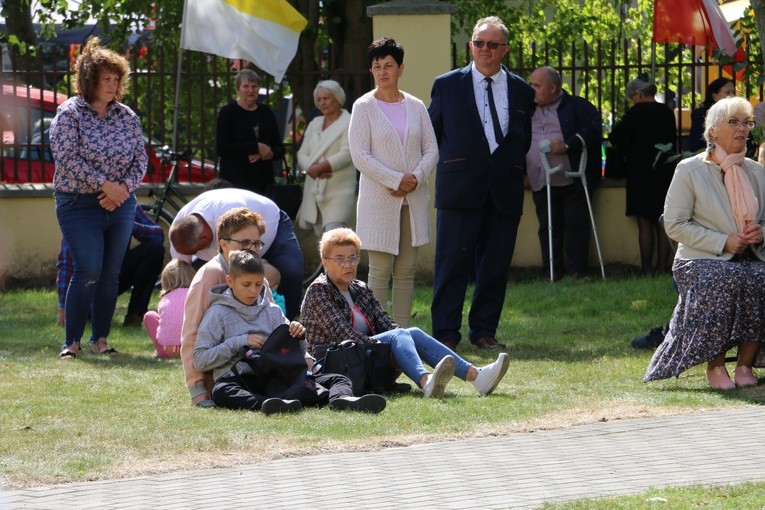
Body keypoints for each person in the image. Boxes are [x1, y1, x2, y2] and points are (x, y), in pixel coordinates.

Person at [301, 228, 511, 399]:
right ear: (325, 261)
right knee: (399, 335)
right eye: (339, 259)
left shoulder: (360, 288)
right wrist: (391, 343)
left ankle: (476, 376)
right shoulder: (319, 291)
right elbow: (343, 335)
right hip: (334, 365)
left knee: (412, 333)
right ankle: (427, 381)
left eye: (353, 258)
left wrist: (403, 342)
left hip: (363, 359)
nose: (348, 265)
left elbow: (386, 323)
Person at [428, 16, 535, 350]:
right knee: (451, 265)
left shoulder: (521, 89)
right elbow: (434, 134)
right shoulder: (447, 84)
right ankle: (446, 332)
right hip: (460, 189)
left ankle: (484, 330)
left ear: (504, 49)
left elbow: (523, 138)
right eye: (478, 43)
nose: (484, 50)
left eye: (492, 44)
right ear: (470, 46)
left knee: (495, 266)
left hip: (503, 189)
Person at [645, 96, 765, 390]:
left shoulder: (757, 171)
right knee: (723, 280)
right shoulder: (690, 170)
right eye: (733, 122)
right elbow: (674, 224)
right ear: (712, 132)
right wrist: (723, 241)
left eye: (746, 123)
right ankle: (716, 365)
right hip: (700, 258)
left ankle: (745, 364)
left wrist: (761, 232)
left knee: (760, 279)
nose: (742, 129)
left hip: (752, 255)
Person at [194, 250, 386, 414]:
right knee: (221, 391)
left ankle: (342, 400)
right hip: (243, 380)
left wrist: (299, 336)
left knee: (338, 378)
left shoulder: (272, 310)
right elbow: (200, 359)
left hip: (279, 376)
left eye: (259, 284)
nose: (253, 291)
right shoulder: (217, 313)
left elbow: (298, 352)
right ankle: (270, 404)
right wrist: (240, 341)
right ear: (230, 281)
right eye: (246, 285)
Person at [50, 37, 148, 359]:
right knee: (89, 268)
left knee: (110, 274)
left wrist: (120, 191)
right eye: (106, 78)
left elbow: (141, 160)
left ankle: (101, 340)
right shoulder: (69, 114)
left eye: (116, 78)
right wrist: (105, 185)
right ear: (90, 79)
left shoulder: (127, 117)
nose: (112, 84)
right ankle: (72, 342)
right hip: (77, 204)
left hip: (120, 204)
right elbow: (66, 159)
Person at [348, 38, 438, 328]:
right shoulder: (363, 106)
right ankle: (377, 334)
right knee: (379, 269)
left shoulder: (416, 105)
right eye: (377, 66)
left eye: (388, 65)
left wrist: (414, 179)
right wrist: (396, 179)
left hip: (413, 198)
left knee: (407, 269)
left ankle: (402, 333)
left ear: (401, 68)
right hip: (379, 198)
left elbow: (432, 149)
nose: (383, 71)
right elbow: (360, 155)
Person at [181, 207, 278, 407]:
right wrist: (198, 390)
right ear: (224, 244)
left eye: (256, 243)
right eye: (244, 243)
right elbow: (191, 334)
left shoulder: (257, 276)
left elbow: (274, 320)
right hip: (221, 377)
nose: (251, 249)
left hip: (258, 370)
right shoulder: (210, 274)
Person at [169, 187, 303, 319]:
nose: (196, 255)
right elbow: (181, 273)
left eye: (196, 251)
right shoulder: (180, 228)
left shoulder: (230, 216)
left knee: (290, 271)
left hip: (272, 225)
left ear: (204, 237)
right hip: (240, 244)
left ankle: (287, 324)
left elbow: (246, 258)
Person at [526, 66, 602, 280]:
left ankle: (577, 272)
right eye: (531, 84)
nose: (532, 90)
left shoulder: (577, 106)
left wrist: (568, 145)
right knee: (548, 227)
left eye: (537, 85)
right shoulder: (526, 108)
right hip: (540, 178)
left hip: (572, 179)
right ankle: (550, 272)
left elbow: (594, 131)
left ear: (552, 88)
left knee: (576, 226)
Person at [609, 74, 677, 275]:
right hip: (665, 170)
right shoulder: (666, 112)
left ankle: (646, 268)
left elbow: (616, 136)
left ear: (638, 94)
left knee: (644, 223)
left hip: (640, 171)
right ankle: (663, 266)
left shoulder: (636, 112)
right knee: (662, 221)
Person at [56, 204, 165, 328]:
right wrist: (63, 308)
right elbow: (66, 263)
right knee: (89, 314)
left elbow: (158, 235)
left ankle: (135, 315)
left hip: (114, 274)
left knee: (155, 249)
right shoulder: (81, 211)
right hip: (88, 283)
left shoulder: (127, 204)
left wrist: (129, 225)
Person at [296, 80, 356, 237]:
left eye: (326, 98)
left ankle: (333, 262)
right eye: (319, 99)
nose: (322, 102)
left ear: (337, 99)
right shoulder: (315, 123)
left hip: (339, 189)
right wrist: (311, 170)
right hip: (314, 188)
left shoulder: (349, 122)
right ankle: (325, 263)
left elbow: (347, 153)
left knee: (333, 235)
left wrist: (321, 167)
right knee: (320, 239)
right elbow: (302, 152)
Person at [215, 69, 285, 195]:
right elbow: (221, 148)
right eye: (245, 86)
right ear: (237, 89)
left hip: (263, 184)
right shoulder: (227, 112)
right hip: (234, 183)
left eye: (254, 86)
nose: (250, 90)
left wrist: (266, 153)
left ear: (259, 89)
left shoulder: (266, 113)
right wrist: (255, 147)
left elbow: (280, 149)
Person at [143, 259, 196, 359]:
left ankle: (159, 351)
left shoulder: (165, 298)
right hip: (192, 349)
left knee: (149, 315)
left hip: (168, 351)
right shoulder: (196, 294)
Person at [688, 77, 735, 153]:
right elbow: (695, 145)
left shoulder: (739, 114)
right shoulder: (700, 114)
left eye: (733, 92)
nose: (732, 95)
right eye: (728, 92)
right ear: (715, 97)